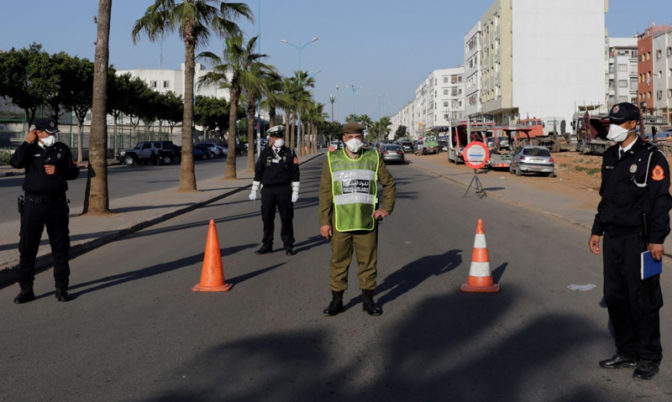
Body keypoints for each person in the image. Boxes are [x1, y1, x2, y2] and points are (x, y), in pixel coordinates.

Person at [589, 102, 672, 380]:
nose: (611, 127)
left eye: (618, 122)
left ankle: (649, 355)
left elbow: (661, 200)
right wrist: (597, 229)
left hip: (641, 240)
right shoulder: (611, 156)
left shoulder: (651, 157)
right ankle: (627, 351)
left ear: (632, 124)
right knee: (615, 297)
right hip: (614, 238)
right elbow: (606, 199)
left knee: (644, 299)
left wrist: (657, 239)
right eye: (610, 121)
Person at [318, 122, 396, 316]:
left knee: (368, 263)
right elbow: (325, 192)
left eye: (358, 137)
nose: (354, 140)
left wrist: (386, 209)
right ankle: (337, 301)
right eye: (350, 137)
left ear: (362, 138)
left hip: (366, 222)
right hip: (340, 223)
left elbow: (389, 183)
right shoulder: (332, 159)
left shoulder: (373, 156)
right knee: (338, 263)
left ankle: (368, 301)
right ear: (344, 138)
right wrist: (324, 222)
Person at [10, 118, 80, 304]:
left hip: (56, 205)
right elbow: (15, 162)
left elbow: (74, 172)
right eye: (48, 133)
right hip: (33, 205)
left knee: (60, 247)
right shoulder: (30, 149)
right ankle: (26, 289)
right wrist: (26, 141)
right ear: (37, 132)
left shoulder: (61, 149)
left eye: (53, 133)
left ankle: (61, 288)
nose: (52, 136)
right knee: (27, 248)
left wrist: (58, 172)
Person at [249, 127, 300, 255]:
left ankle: (288, 245)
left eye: (280, 137)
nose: (278, 140)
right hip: (268, 190)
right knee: (267, 218)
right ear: (271, 138)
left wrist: (295, 191)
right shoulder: (265, 153)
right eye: (276, 137)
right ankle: (267, 244)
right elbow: (258, 172)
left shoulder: (290, 153)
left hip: (284, 189)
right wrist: (254, 189)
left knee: (287, 218)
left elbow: (295, 172)